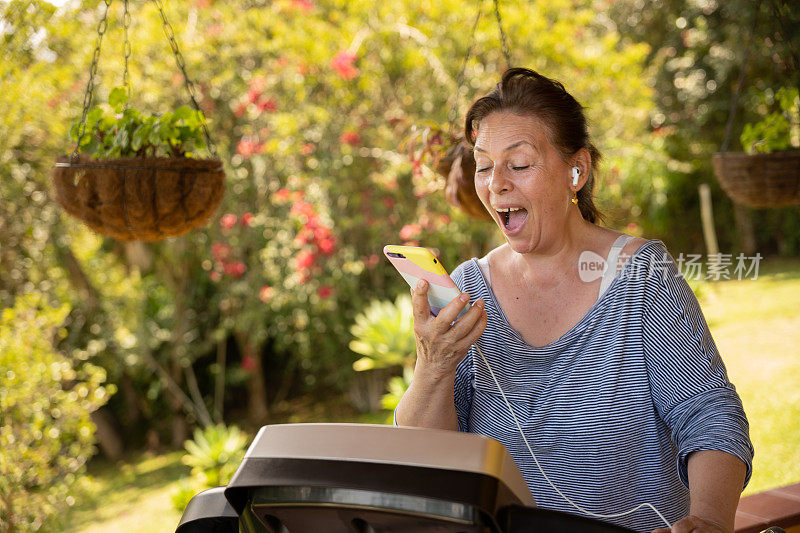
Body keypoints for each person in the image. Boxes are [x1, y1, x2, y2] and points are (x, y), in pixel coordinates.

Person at [394, 68, 754, 533]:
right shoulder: (468, 290)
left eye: (519, 164)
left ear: (576, 171)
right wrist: (434, 363)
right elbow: (428, 462)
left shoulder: (639, 276)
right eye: (484, 166)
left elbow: (709, 414)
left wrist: (708, 519)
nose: (496, 184)